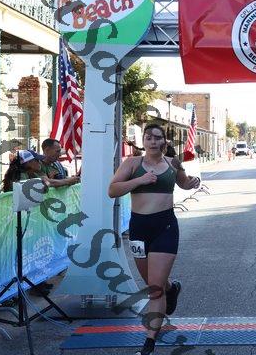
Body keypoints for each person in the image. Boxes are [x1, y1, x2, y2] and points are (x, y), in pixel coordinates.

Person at [108, 124, 201, 355]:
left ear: (164, 142)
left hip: (165, 227)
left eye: (157, 138)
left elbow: (183, 183)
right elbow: (113, 190)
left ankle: (149, 344)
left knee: (154, 289)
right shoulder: (132, 164)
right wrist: (139, 181)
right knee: (154, 283)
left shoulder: (173, 163)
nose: (152, 141)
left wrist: (192, 182)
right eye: (148, 137)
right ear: (144, 141)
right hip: (139, 229)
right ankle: (172, 288)